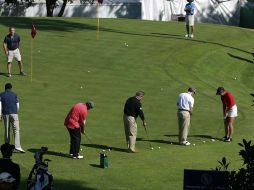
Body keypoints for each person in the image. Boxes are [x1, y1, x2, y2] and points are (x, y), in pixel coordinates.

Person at [0, 83, 25, 153]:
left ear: (5, 88)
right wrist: (16, 112)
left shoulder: (1, 94)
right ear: (11, 88)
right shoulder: (14, 94)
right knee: (16, 130)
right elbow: (18, 105)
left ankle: (7, 145)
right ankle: (17, 147)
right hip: (14, 113)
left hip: (5, 114)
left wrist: (0, 115)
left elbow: (0, 105)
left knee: (7, 129)